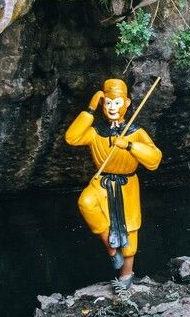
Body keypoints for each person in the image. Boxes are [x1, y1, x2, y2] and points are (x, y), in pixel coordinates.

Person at [65, 79, 162, 289]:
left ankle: (126, 275)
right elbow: (72, 138)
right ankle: (111, 249)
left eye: (117, 103)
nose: (112, 108)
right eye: (108, 103)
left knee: (130, 228)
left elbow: (154, 159)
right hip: (102, 181)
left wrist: (129, 145)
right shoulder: (96, 131)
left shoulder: (136, 131)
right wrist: (90, 109)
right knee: (86, 202)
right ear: (103, 105)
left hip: (126, 184)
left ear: (126, 103)